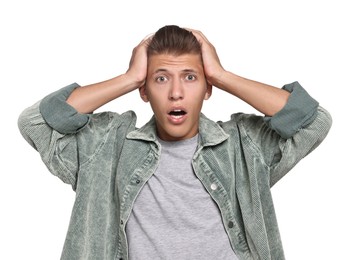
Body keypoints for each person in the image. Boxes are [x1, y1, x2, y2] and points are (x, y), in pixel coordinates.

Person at [18, 25, 332, 260]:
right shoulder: (107, 147)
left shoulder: (243, 145)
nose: (176, 93)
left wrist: (222, 75)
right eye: (161, 78)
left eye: (190, 77)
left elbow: (314, 120)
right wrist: (128, 78)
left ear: (208, 89)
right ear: (145, 90)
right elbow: (35, 122)